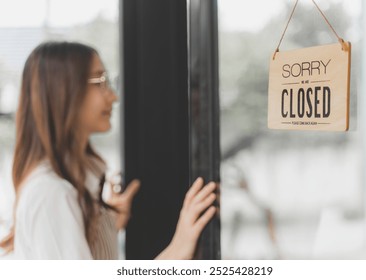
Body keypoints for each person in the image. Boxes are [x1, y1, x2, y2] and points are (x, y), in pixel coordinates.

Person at [0, 41, 217, 259]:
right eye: (100, 82)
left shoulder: (69, 190)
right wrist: (179, 246)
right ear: (63, 91)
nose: (113, 96)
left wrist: (105, 224)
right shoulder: (52, 194)